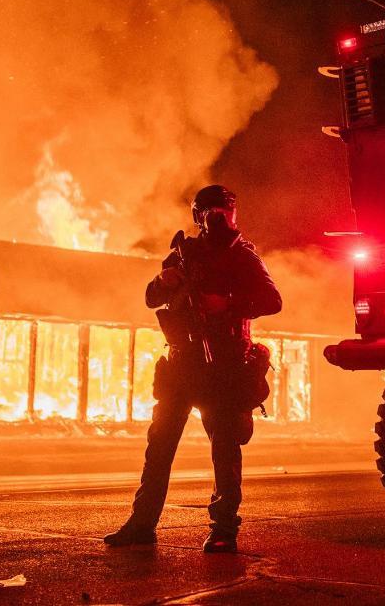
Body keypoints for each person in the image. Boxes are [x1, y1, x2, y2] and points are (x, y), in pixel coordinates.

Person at [104, 184, 282, 553]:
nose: (216, 217)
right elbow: (152, 298)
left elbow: (272, 300)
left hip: (224, 364)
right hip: (182, 363)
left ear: (232, 214)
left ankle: (223, 528)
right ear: (197, 215)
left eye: (223, 210)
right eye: (209, 211)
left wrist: (228, 304)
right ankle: (141, 523)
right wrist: (162, 281)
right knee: (160, 447)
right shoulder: (184, 253)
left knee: (225, 450)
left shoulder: (242, 255)